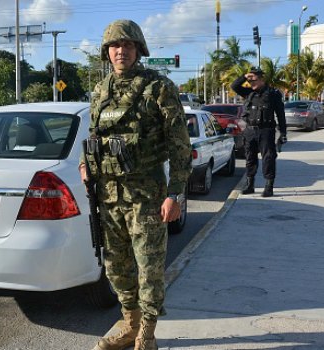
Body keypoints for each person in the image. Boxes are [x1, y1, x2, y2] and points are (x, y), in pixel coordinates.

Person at [79, 19, 192, 350]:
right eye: (115, 46)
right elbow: (94, 137)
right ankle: (129, 324)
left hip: (147, 196)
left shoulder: (158, 87)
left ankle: (148, 332)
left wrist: (175, 194)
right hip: (108, 196)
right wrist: (87, 165)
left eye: (127, 45)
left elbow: (179, 144)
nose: (120, 51)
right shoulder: (101, 91)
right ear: (106, 52)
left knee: (149, 269)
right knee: (117, 268)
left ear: (138, 49)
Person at [231, 67, 287, 197]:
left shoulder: (273, 94)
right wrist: (245, 76)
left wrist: (283, 133)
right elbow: (234, 86)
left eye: (254, 80)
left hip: (266, 131)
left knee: (268, 158)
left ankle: (269, 187)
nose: (251, 83)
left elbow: (280, 115)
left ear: (262, 79)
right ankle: (250, 185)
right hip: (250, 130)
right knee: (250, 158)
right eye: (249, 81)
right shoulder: (249, 93)